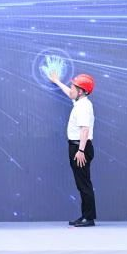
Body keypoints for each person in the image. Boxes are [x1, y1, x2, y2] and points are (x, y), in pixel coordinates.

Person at [48, 70, 98, 227]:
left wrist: (81, 151)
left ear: (81, 91)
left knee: (84, 184)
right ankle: (85, 215)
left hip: (79, 148)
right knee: (82, 183)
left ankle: (88, 218)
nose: (71, 89)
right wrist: (57, 81)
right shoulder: (80, 102)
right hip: (77, 147)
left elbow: (85, 130)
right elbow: (69, 93)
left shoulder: (83, 107)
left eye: (74, 87)